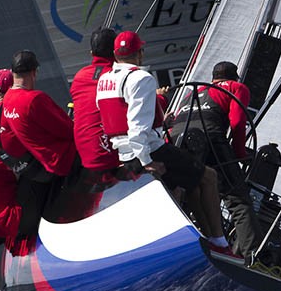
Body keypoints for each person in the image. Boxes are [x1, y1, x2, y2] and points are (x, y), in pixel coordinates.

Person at [96, 31, 232, 253]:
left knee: (192, 182)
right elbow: (137, 125)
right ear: (140, 53)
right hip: (149, 149)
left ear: (114, 54)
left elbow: (112, 115)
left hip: (122, 153)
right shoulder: (142, 78)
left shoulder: (104, 80)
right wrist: (147, 160)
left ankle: (206, 239)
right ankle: (220, 242)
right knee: (209, 177)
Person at [168, 61, 264, 260]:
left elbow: (173, 126)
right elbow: (237, 122)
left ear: (213, 78)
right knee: (238, 200)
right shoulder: (236, 88)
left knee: (187, 194)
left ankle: (183, 245)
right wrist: (239, 154)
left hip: (180, 141)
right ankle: (253, 258)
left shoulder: (190, 94)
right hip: (211, 137)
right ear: (234, 77)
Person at [0, 50, 78, 222]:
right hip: (66, 158)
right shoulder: (35, 99)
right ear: (34, 72)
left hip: (48, 164)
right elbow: (69, 130)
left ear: (12, 73)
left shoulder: (8, 99)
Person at [70, 27, 120, 171]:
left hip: (85, 156)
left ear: (91, 53)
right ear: (115, 52)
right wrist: (161, 98)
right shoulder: (118, 75)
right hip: (110, 158)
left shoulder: (79, 77)